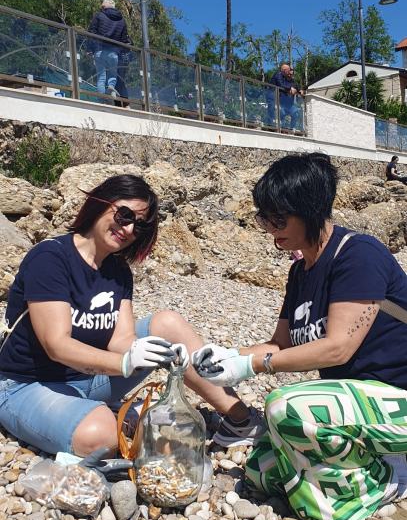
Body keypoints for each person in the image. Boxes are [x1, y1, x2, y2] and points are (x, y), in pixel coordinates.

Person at [192, 152, 407, 520]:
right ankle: (368, 464)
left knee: (285, 409)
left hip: (396, 400)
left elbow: (338, 347)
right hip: (357, 403)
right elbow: (281, 343)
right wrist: (226, 356)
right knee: (260, 471)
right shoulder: (300, 272)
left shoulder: (357, 254)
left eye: (279, 218)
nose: (270, 228)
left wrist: (252, 366)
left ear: (311, 210)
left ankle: (392, 477)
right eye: (264, 217)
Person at [0, 174, 262, 457]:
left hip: (88, 379)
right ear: (101, 202)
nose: (127, 229)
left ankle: (241, 421)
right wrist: (126, 363)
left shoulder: (118, 271)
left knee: (168, 324)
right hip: (27, 384)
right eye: (124, 215)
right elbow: (57, 345)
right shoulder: (51, 258)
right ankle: (111, 417)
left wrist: (158, 352)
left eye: (140, 226)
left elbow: (121, 339)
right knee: (101, 437)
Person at [87, 0, 130, 99]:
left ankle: (102, 99)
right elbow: (124, 39)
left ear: (104, 7)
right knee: (112, 75)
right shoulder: (122, 20)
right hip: (114, 53)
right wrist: (121, 52)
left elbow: (91, 32)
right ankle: (111, 89)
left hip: (100, 50)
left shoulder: (99, 15)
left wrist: (89, 49)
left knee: (101, 77)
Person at [269, 63, 305, 131]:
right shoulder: (279, 75)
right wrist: (290, 89)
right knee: (280, 112)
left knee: (296, 112)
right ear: (284, 70)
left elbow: (296, 86)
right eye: (288, 72)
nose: (290, 74)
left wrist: (300, 90)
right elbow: (281, 85)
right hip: (276, 100)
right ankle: (275, 128)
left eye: (291, 74)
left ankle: (292, 129)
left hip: (287, 103)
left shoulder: (290, 79)